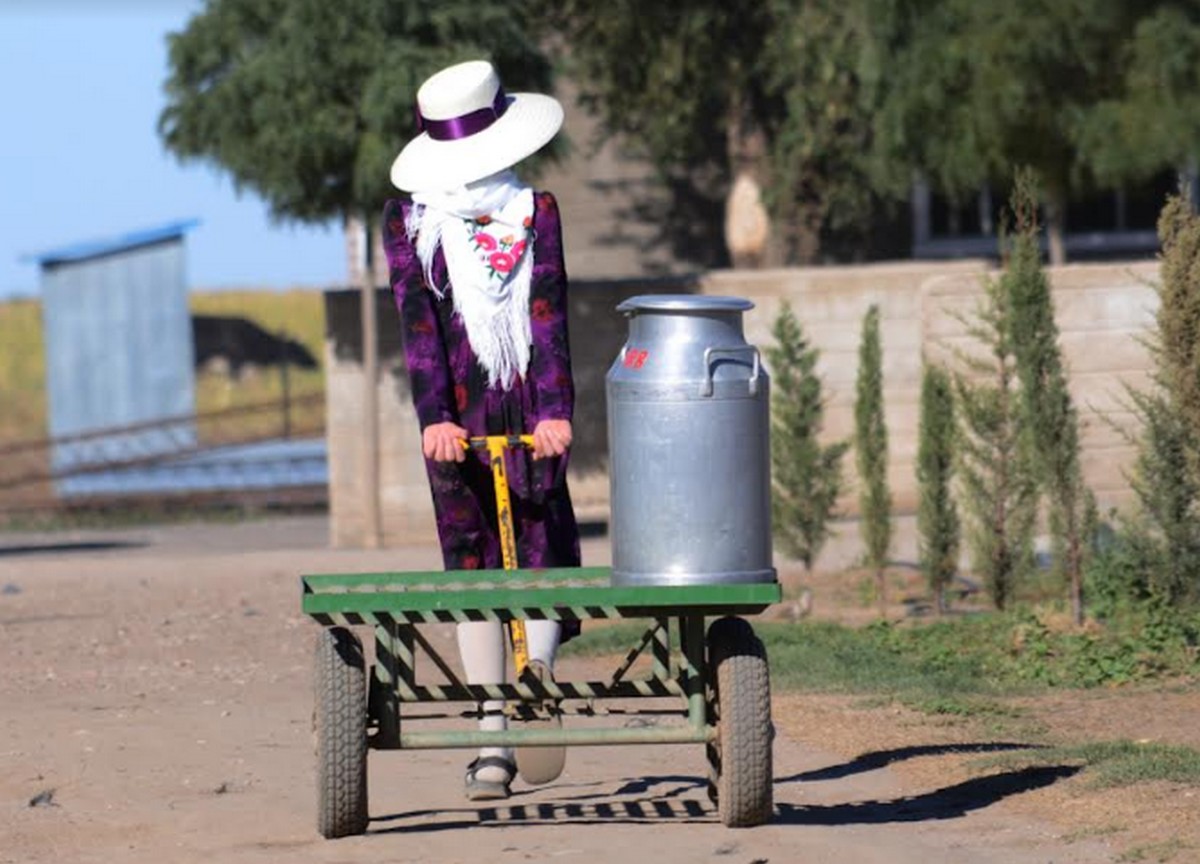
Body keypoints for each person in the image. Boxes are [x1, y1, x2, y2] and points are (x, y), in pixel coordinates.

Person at [382, 60, 580, 802]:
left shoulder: (537, 211)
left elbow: (550, 312)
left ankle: (539, 684)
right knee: (473, 562)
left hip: (530, 402)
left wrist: (558, 408)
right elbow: (417, 327)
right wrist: (435, 418)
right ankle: (492, 733)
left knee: (540, 545)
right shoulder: (411, 220)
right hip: (457, 411)